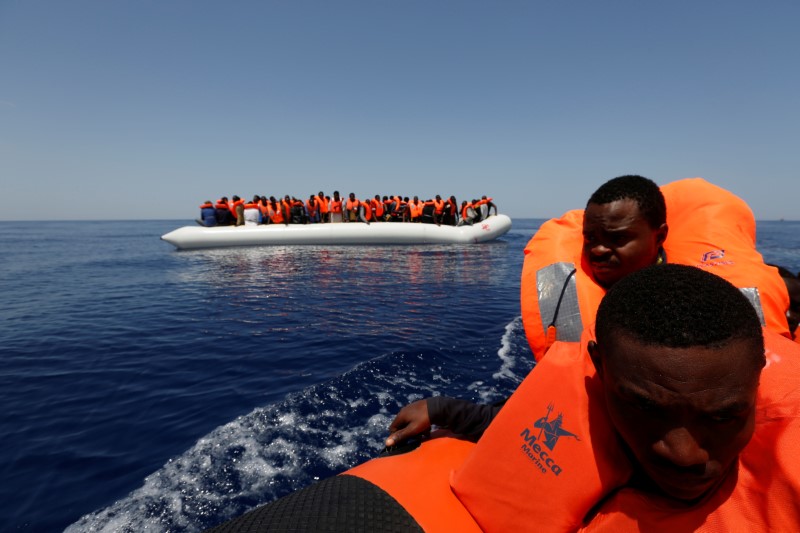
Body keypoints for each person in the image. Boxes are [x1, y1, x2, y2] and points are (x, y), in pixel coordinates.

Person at [387, 265, 800, 531]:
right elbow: (513, 425)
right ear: (600, 369)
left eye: (724, 416)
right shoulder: (597, 393)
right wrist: (442, 409)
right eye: (645, 408)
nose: (684, 454)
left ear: (758, 377)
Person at [521, 175, 791, 361]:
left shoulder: (706, 292)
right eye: (591, 238)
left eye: (617, 239)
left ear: (660, 237)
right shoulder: (586, 282)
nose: (598, 251)